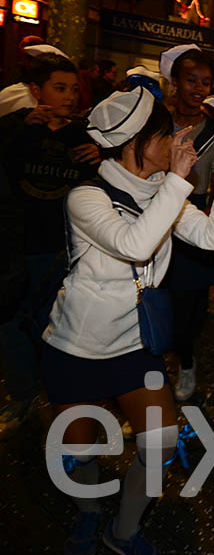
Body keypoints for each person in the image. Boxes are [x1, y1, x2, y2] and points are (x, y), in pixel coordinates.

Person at [40, 86, 214, 555]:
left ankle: (124, 531)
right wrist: (176, 181)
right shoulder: (86, 197)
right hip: (76, 349)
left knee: (161, 447)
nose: (175, 139)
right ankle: (89, 513)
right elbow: (133, 243)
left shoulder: (160, 191)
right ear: (136, 142)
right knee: (80, 453)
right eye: (165, 133)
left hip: (134, 347)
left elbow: (213, 238)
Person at [0, 52, 100, 440]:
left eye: (74, 89)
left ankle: (59, 404)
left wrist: (100, 157)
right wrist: (24, 129)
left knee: (55, 330)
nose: (70, 97)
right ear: (35, 90)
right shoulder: (12, 126)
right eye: (60, 88)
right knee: (10, 326)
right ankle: (23, 397)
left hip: (61, 250)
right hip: (12, 249)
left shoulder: (85, 135)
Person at [158, 44, 214, 401]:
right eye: (191, 80)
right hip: (153, 214)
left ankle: (186, 362)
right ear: (174, 81)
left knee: (189, 309)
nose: (199, 88)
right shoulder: (154, 119)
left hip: (194, 216)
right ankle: (152, 376)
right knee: (153, 301)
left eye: (206, 82)